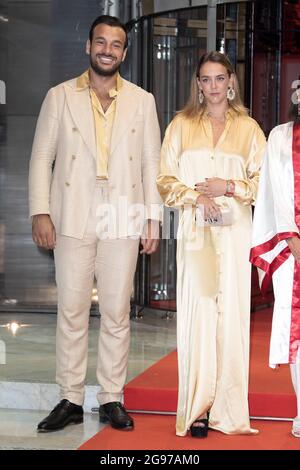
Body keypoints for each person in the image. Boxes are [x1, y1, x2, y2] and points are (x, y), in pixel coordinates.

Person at [29, 15, 161, 432]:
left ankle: (111, 397)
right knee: (71, 309)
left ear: (124, 52)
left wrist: (153, 217)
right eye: (101, 42)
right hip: (72, 210)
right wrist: (40, 210)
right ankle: (69, 396)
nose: (108, 50)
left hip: (123, 211)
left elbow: (152, 163)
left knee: (117, 311)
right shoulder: (60, 96)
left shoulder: (143, 100)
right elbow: (40, 157)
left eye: (116, 44)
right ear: (88, 46)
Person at [157, 51, 266, 437]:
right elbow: (164, 179)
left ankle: (228, 409)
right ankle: (199, 408)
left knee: (233, 317)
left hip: (236, 235)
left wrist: (229, 187)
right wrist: (194, 195)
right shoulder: (180, 125)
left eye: (220, 78)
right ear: (198, 85)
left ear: (231, 82)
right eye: (206, 79)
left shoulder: (251, 129)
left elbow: (263, 184)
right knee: (199, 315)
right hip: (197, 233)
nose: (214, 86)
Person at [250, 87, 300, 438]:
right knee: (297, 334)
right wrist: (293, 237)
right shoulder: (280, 137)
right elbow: (274, 191)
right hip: (290, 247)